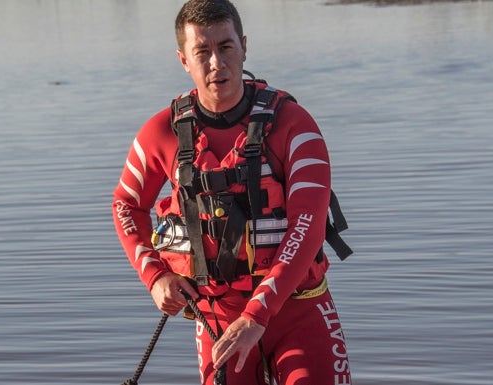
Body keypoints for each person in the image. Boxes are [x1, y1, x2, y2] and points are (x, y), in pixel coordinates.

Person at [112, 1, 352, 384]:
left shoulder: (296, 126)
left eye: (225, 47)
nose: (216, 64)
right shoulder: (160, 133)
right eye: (202, 52)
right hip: (217, 316)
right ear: (183, 60)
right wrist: (155, 276)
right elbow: (126, 205)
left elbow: (307, 226)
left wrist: (258, 314)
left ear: (244, 47)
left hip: (298, 307)